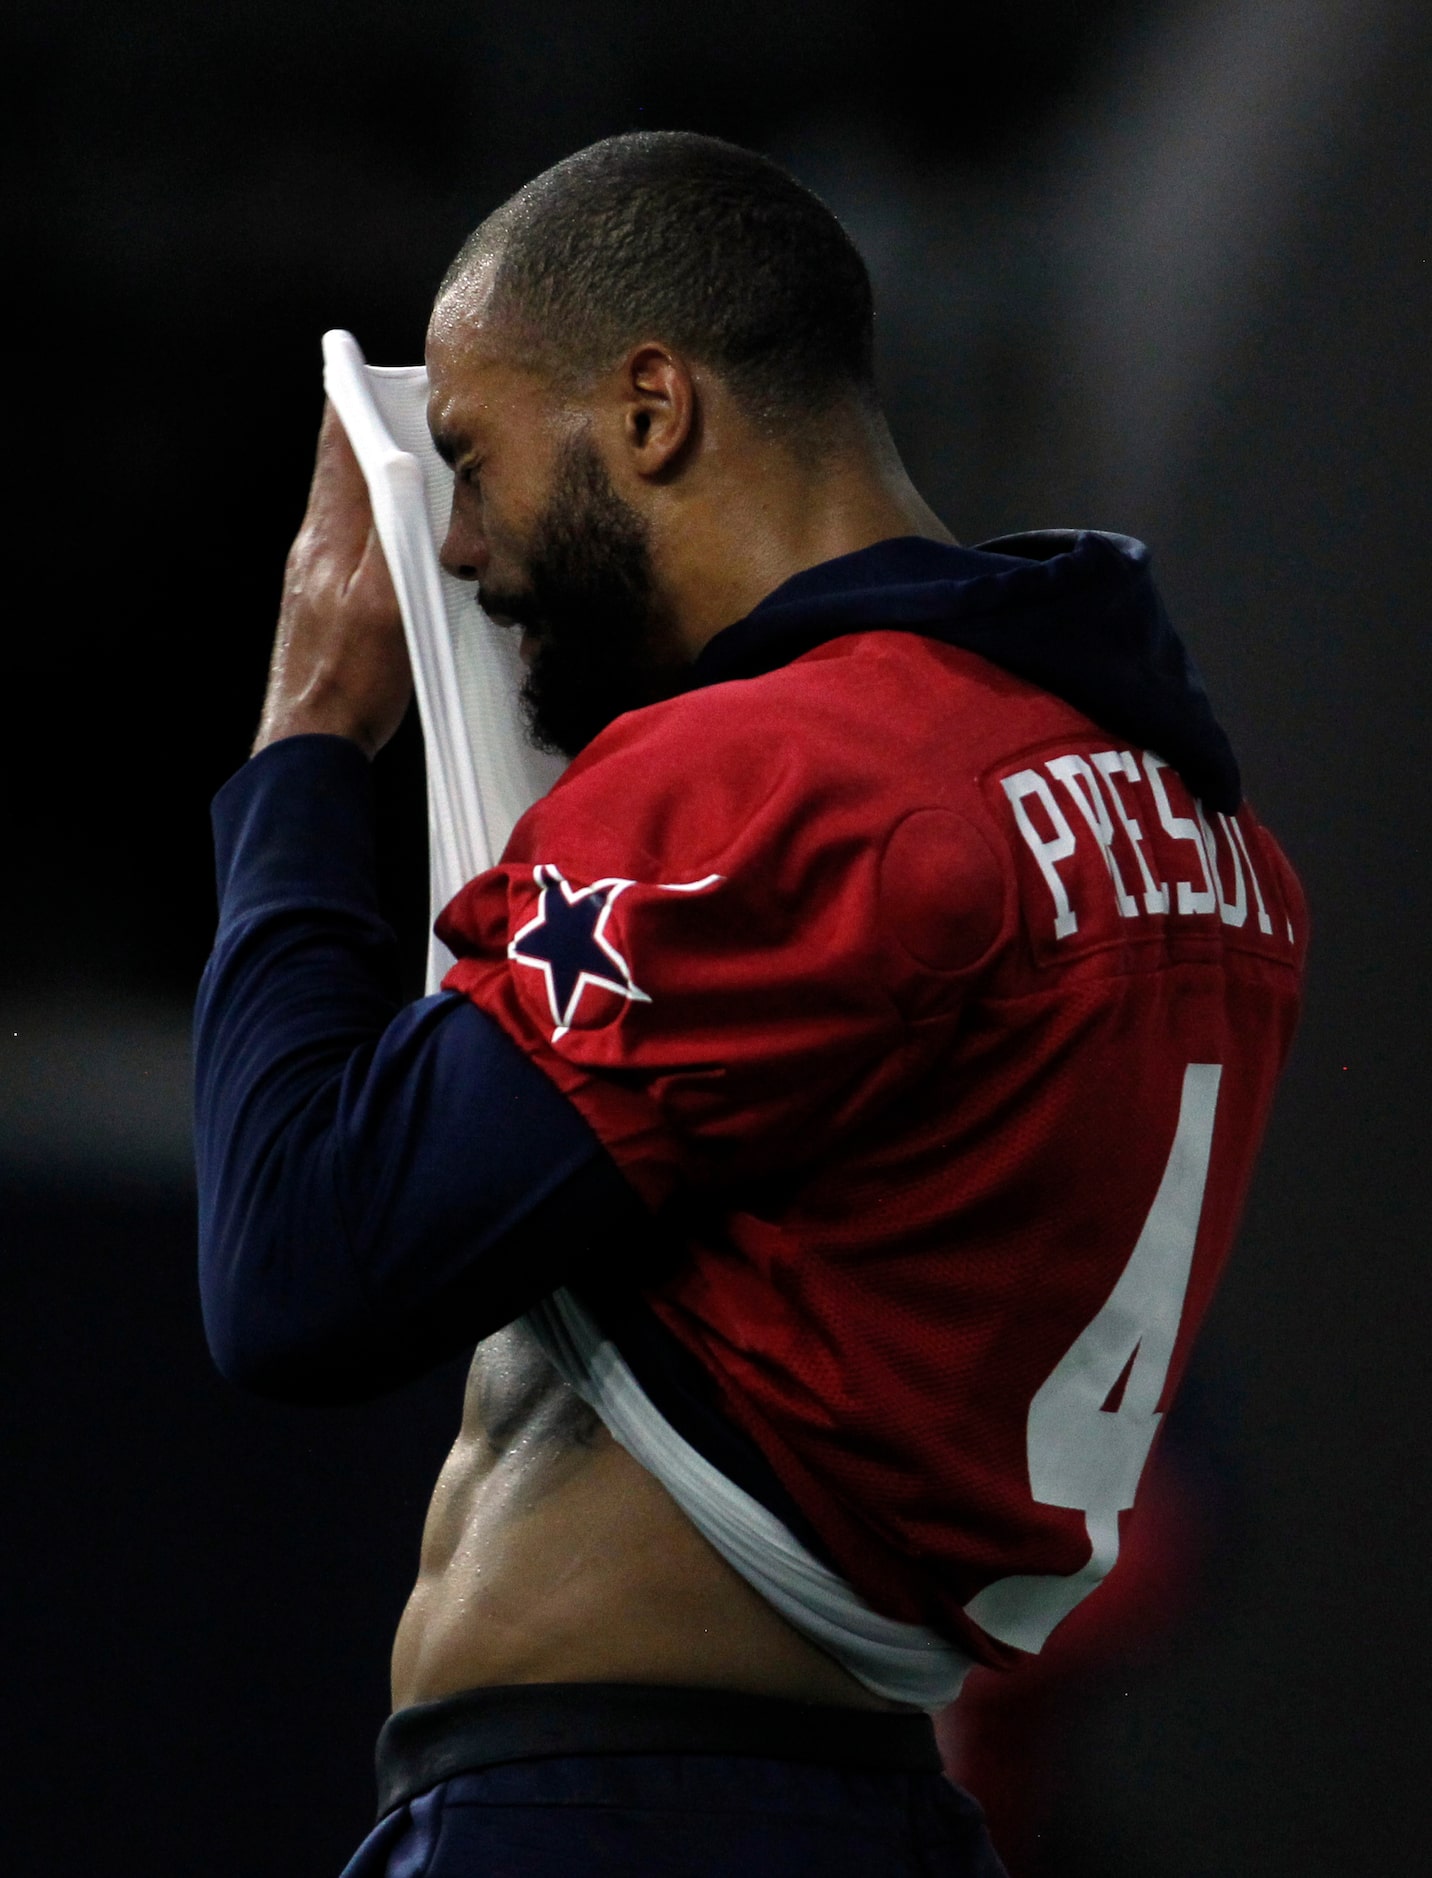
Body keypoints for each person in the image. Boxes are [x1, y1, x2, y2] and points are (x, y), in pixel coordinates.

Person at [194, 131, 1305, 1877]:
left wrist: (312, 737)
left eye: (473, 460)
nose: (464, 548)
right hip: (877, 1801)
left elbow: (299, 1264)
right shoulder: (1187, 821)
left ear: (653, 409)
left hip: (622, 1813)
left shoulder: (809, 773)